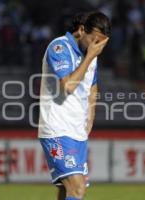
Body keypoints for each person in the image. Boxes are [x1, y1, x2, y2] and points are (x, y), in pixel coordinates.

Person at [38, 12, 111, 200]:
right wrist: (90, 57)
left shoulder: (90, 53)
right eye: (95, 40)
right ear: (81, 30)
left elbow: (93, 85)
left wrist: (91, 116)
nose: (97, 47)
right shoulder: (60, 47)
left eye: (101, 43)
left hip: (77, 130)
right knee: (78, 189)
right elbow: (69, 86)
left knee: (67, 189)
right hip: (57, 128)